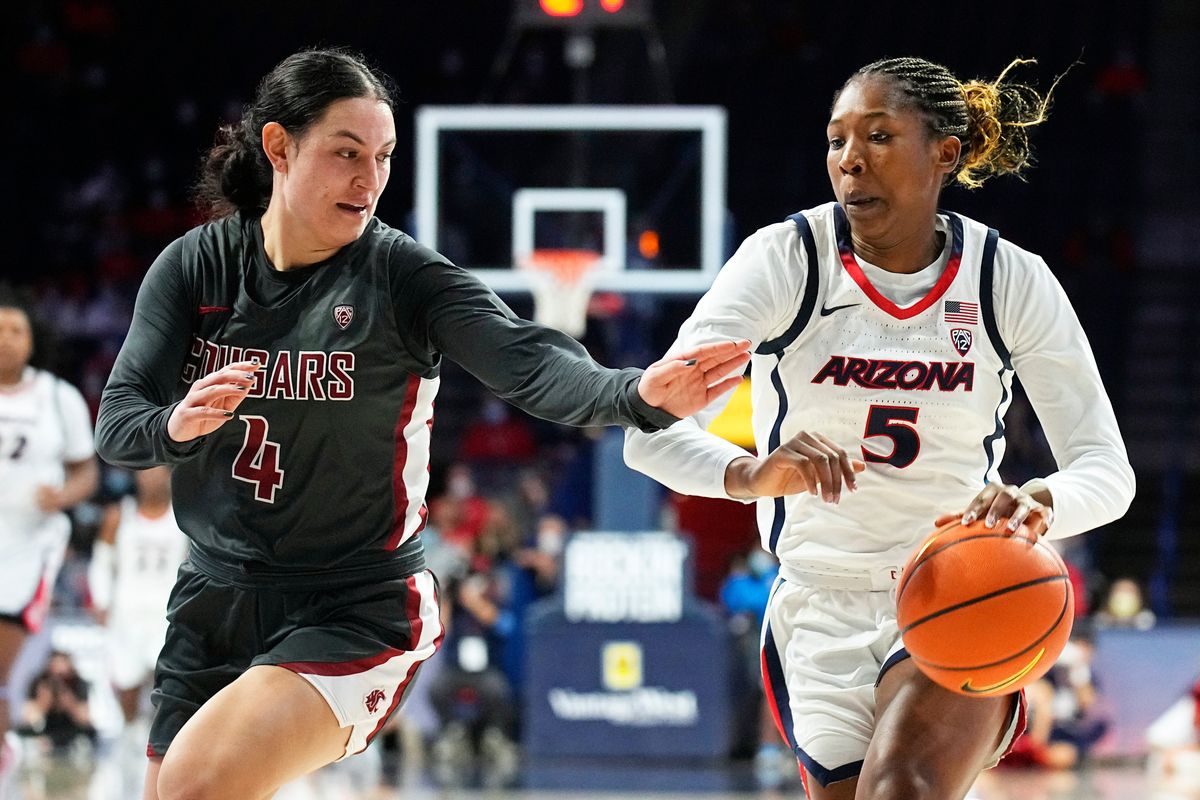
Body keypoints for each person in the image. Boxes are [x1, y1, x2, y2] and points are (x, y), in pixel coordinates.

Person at [93, 47, 749, 800]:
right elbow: (118, 424)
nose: (369, 179)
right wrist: (175, 424)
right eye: (346, 154)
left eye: (383, 157)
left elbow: (531, 361)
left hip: (354, 605)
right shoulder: (194, 268)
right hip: (212, 596)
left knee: (197, 786)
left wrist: (635, 392)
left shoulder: (402, 277)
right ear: (278, 146)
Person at [625, 56, 1135, 800]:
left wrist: (1041, 503)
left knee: (902, 789)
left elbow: (1106, 470)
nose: (850, 160)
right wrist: (749, 473)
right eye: (836, 141)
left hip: (961, 584)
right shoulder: (784, 261)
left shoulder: (1007, 278)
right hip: (817, 604)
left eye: (879, 136)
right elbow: (648, 433)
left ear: (946, 154)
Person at [0, 290, 99, 789]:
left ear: (32, 341)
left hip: (30, 542)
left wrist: (61, 496)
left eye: (15, 330)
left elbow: (86, 472)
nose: (5, 339)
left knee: (2, 657)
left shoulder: (57, 397)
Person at [87, 465, 187, 794]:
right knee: (127, 689)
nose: (152, 478)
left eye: (158, 472)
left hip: (166, 614)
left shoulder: (183, 520)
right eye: (146, 472)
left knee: (164, 693)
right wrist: (101, 600)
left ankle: (159, 757)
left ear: (170, 476)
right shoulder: (120, 516)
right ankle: (127, 748)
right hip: (127, 615)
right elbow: (101, 562)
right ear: (137, 477)